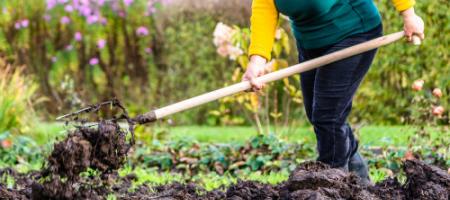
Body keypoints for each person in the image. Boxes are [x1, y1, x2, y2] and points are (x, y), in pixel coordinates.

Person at [243, 0, 424, 184]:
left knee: (327, 116)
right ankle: (361, 183)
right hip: (311, 42)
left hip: (353, 32)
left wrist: (409, 14)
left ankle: (332, 183)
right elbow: (264, 9)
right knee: (319, 115)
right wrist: (257, 61)